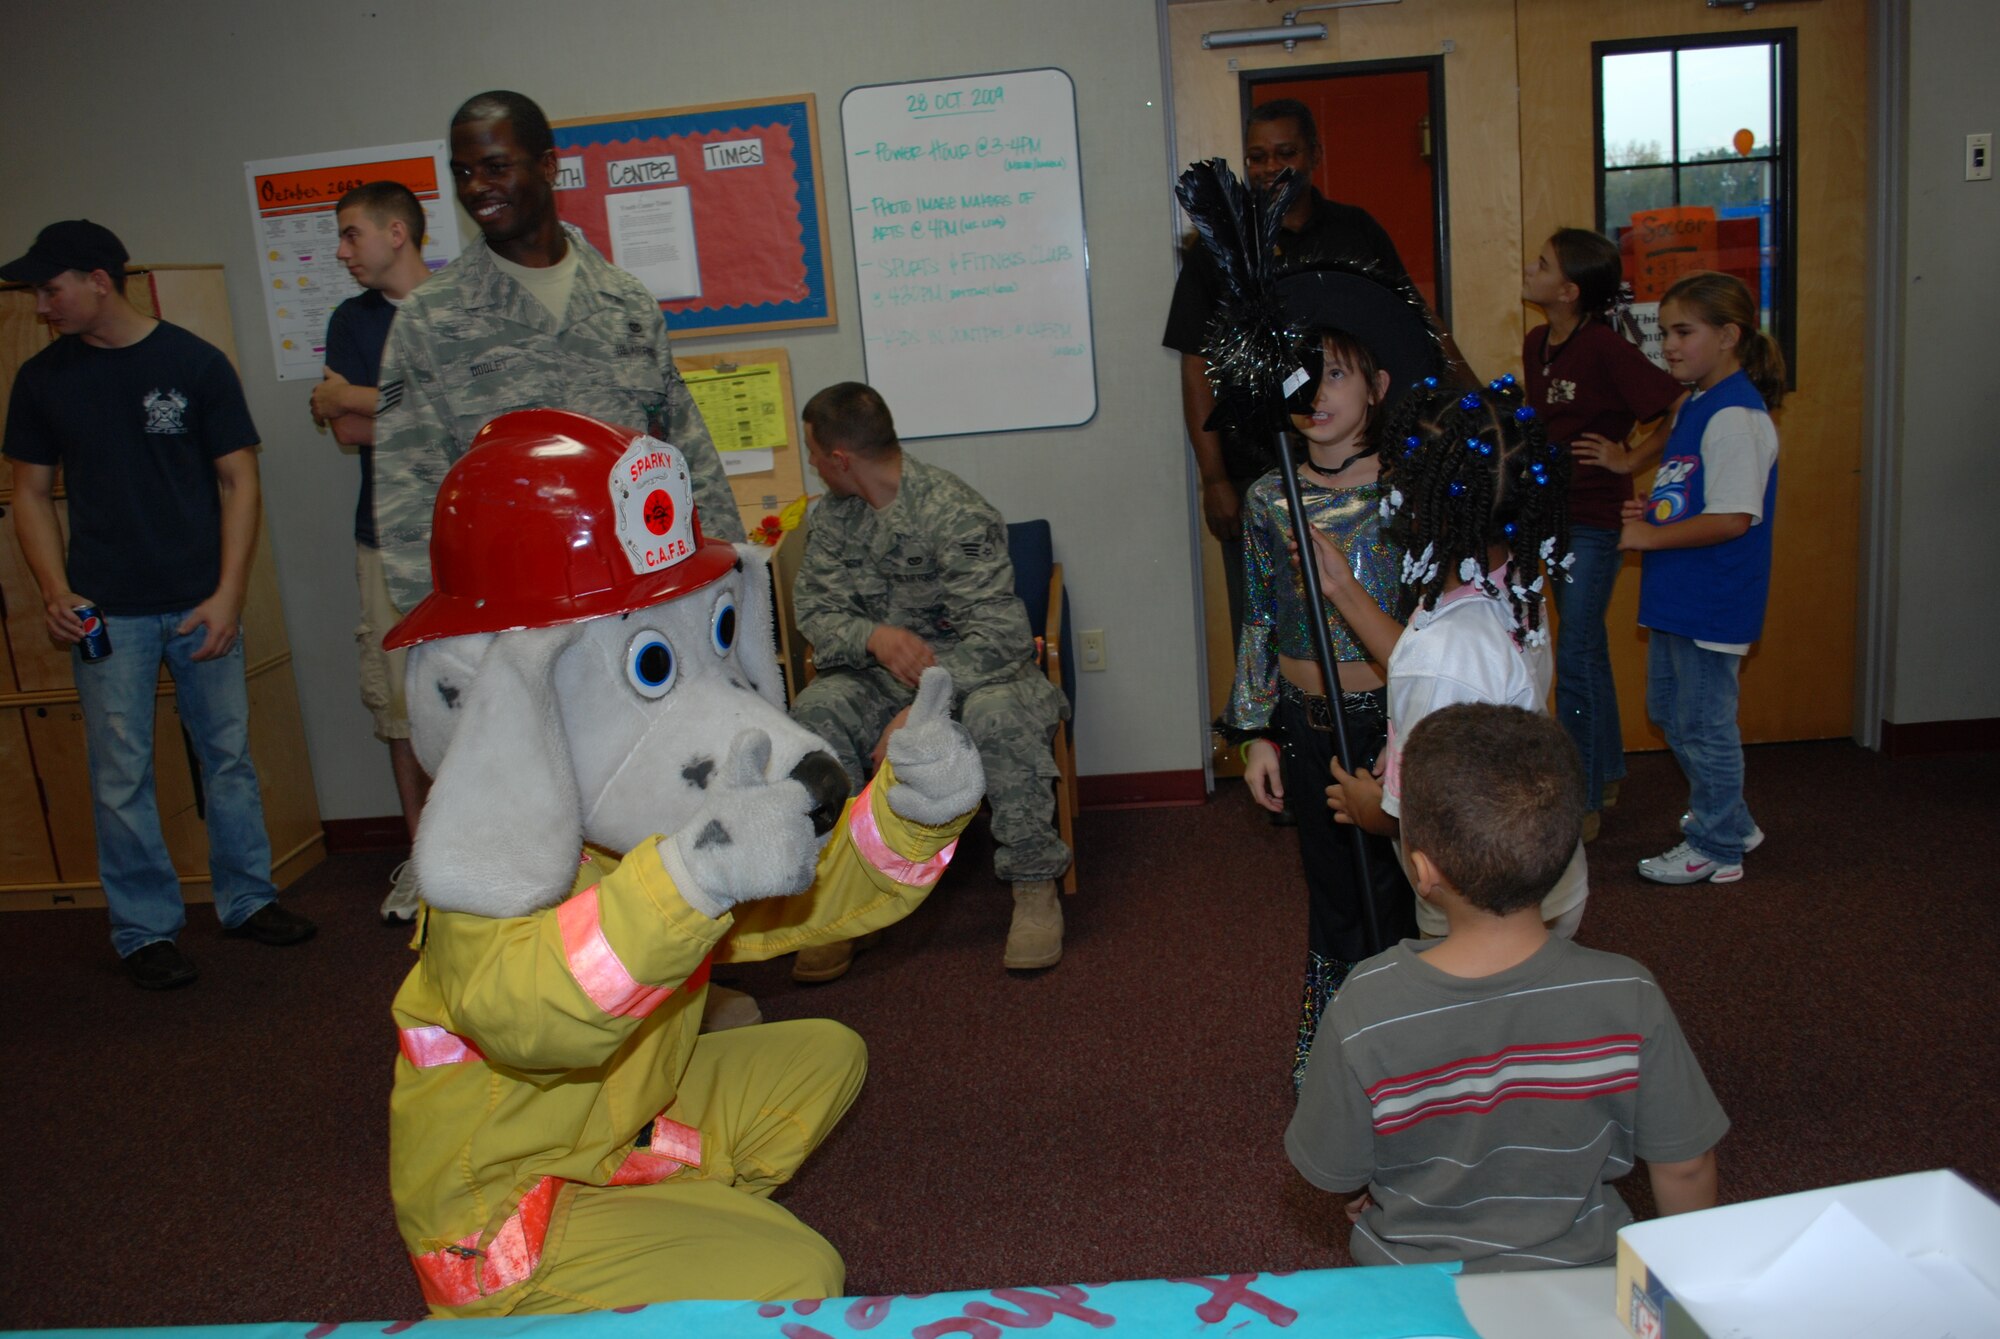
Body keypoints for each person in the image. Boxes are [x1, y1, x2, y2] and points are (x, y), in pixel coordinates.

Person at [1287, 702, 1728, 1271]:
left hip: (1420, 1295)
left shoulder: (1365, 1005)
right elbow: (1686, 1167)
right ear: (1564, 852)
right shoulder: (1628, 991)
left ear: (1422, 871)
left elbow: (1338, 1171)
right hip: (1586, 1286)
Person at [1, 220, 314, 989]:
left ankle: (246, 898)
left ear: (99, 279)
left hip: (201, 604)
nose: (44, 304)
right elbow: (30, 494)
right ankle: (145, 931)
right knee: (121, 774)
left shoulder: (194, 363)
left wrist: (229, 594)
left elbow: (240, 481)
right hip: (107, 613)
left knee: (229, 758)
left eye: (53, 287)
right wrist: (54, 590)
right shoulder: (42, 379)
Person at [372, 89, 743, 617]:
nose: (478, 189)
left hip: (643, 605)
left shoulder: (625, 302)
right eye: (463, 173)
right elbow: (409, 490)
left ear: (548, 166)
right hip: (511, 616)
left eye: (496, 167)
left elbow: (683, 453)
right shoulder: (430, 319)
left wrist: (729, 571)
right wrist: (442, 632)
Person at [787, 382, 1071, 977]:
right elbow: (815, 611)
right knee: (816, 712)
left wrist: (923, 712)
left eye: (813, 454)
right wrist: (874, 637)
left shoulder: (952, 510)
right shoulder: (833, 520)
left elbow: (1000, 637)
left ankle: (1033, 886)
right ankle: (851, 897)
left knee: (1001, 718)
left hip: (980, 675)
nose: (813, 467)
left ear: (840, 459)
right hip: (880, 678)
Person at [1310, 376, 1591, 943]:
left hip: (1478, 905)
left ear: (1419, 503)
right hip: (1541, 873)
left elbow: (1413, 816)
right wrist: (1343, 589)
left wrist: (1370, 807)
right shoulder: (1510, 581)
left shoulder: (1443, 657)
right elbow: (1431, 662)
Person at [1227, 328, 1415, 1090]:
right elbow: (1261, 618)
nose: (1318, 395)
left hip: (1390, 723)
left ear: (1378, 385)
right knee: (1334, 892)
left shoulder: (1405, 490)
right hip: (1304, 725)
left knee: (1403, 888)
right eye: (1305, 378)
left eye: (1338, 374)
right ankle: (1337, 1062)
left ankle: (1415, 1051)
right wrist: (1256, 730)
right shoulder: (1270, 496)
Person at [1162, 99, 1413, 653]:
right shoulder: (1219, 252)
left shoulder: (1355, 231)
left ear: (1315, 155)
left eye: (1285, 153)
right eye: (1255, 156)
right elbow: (1195, 364)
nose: (1269, 167)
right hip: (1258, 471)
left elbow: (1410, 324)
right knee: (1271, 624)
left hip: (1360, 474)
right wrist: (1215, 479)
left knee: (1377, 618)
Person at [1619, 271, 1784, 886]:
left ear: (1730, 335)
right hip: (1677, 593)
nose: (1670, 346)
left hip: (1714, 597)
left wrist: (1648, 538)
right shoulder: (1696, 404)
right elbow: (1694, 494)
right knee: (1668, 709)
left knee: (1706, 722)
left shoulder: (1738, 416)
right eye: (1664, 333)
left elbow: (1735, 517)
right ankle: (1732, 819)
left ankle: (1717, 845)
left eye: (1684, 332)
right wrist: (1654, 513)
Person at [1521, 228, 1684, 841]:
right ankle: (1607, 771)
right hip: (1551, 520)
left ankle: (1584, 795)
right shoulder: (1539, 341)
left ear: (1567, 290)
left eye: (1541, 264)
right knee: (1585, 649)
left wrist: (1630, 459)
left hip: (1595, 521)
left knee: (1580, 653)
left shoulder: (1605, 347)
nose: (1529, 269)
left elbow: (1676, 405)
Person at [310, 181, 434, 921]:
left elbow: (473, 422)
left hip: (464, 539)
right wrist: (397, 406)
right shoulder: (351, 321)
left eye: (352, 234)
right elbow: (347, 432)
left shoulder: (456, 308)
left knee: (485, 698)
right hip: (383, 540)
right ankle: (424, 860)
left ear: (398, 231)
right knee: (400, 708)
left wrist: (358, 395)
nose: (342, 250)